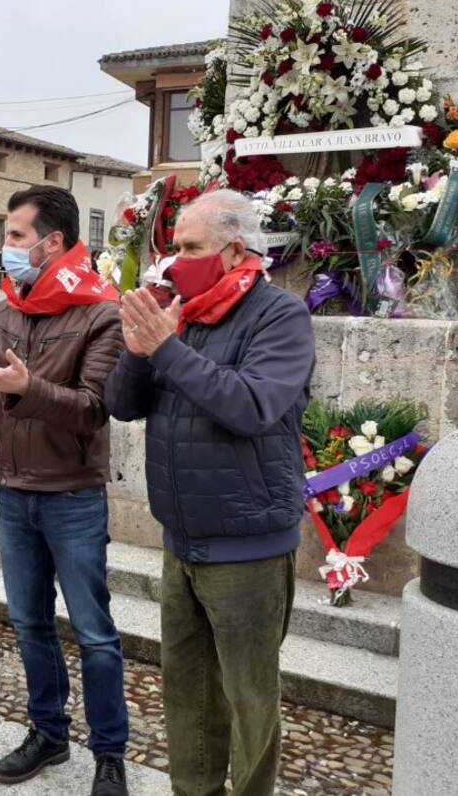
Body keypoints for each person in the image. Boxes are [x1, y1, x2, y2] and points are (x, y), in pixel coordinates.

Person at [0, 186, 129, 795]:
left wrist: (27, 386)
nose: (5, 248)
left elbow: (93, 409)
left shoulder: (101, 313)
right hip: (15, 492)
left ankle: (109, 753)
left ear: (53, 242)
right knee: (29, 623)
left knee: (94, 632)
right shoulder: (12, 306)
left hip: (71, 495)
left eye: (14, 236)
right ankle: (49, 733)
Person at [104, 190, 315, 796]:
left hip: (248, 542)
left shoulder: (280, 315)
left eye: (190, 248)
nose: (175, 261)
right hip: (183, 538)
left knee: (249, 696)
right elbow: (121, 404)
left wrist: (167, 347)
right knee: (187, 689)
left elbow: (252, 406)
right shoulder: (182, 312)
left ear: (234, 251)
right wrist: (142, 351)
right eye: (173, 248)